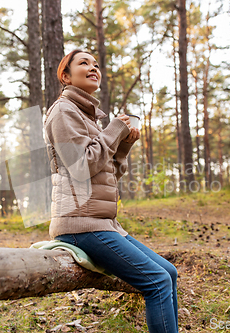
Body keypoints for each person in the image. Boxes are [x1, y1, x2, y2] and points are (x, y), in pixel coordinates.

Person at [43, 49, 179, 333]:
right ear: (66, 76)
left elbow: (108, 174)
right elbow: (80, 167)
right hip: (80, 225)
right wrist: (115, 128)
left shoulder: (88, 117)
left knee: (169, 272)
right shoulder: (62, 111)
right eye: (84, 63)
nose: (93, 67)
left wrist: (124, 144)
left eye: (95, 63)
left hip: (104, 223)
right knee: (157, 281)